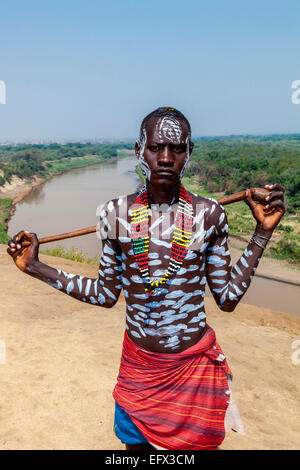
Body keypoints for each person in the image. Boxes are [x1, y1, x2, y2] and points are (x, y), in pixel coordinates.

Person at [7, 107, 285, 450]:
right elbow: (105, 294)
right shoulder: (115, 214)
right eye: (155, 148)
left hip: (192, 372)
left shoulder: (210, 214)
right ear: (139, 149)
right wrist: (35, 266)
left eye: (177, 148)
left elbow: (227, 299)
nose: (166, 158)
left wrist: (261, 234)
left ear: (189, 153)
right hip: (140, 373)